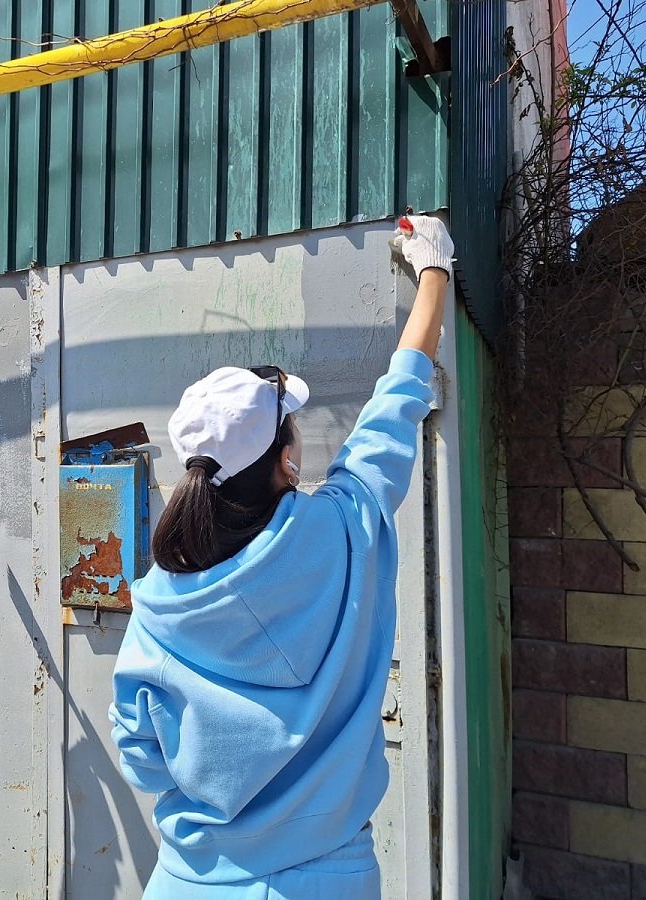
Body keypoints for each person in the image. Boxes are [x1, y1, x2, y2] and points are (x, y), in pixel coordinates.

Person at [109, 215, 454, 898]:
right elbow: (398, 400)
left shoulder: (156, 605)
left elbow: (141, 761)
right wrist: (434, 269)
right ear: (289, 459)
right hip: (326, 879)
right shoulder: (343, 525)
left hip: (191, 880)